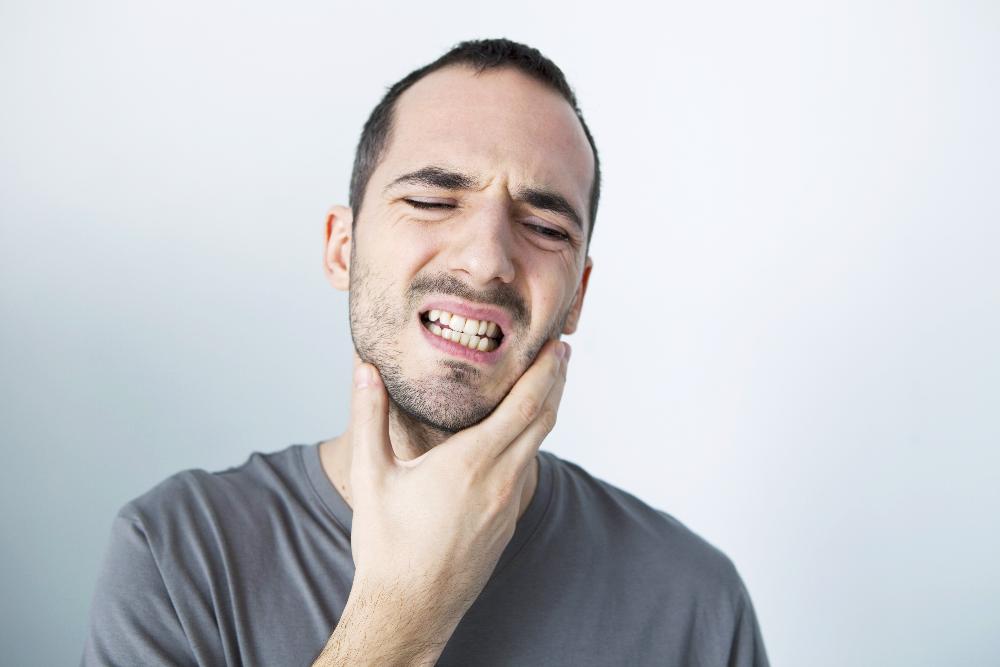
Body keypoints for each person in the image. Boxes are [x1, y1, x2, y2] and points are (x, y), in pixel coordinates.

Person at [81, 38, 770, 666]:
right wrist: (402, 616)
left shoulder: (697, 605)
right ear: (341, 248)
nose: (485, 260)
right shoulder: (177, 554)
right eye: (434, 199)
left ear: (579, 295)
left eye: (542, 225)